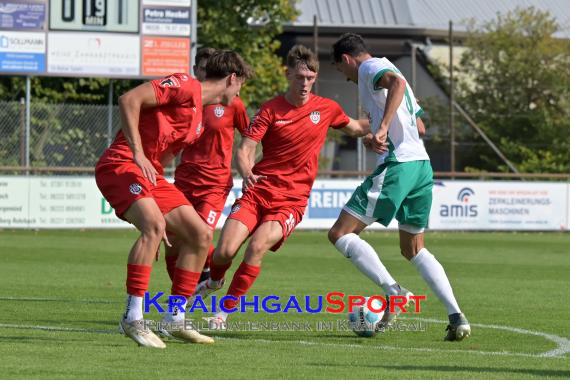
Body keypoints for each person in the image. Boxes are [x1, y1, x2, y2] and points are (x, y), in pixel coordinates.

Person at [190, 45, 371, 326]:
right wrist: (248, 171)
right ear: (288, 75)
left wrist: (391, 118)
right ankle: (214, 281)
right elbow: (245, 148)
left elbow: (358, 128)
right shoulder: (271, 109)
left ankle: (223, 312)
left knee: (257, 247)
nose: (305, 83)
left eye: (310, 78)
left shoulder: (327, 109)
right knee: (224, 250)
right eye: (299, 77)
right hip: (258, 192)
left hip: (291, 201)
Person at [95, 50, 252, 348]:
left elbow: (162, 153)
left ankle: (175, 318)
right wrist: (138, 152)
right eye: (241, 84)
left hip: (149, 175)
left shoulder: (197, 122)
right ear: (232, 78)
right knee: (153, 227)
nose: (240, 91)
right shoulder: (184, 85)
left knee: (200, 234)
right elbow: (129, 99)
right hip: (121, 163)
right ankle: (133, 318)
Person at [328, 33, 470, 341]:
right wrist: (378, 129)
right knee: (413, 249)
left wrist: (380, 130)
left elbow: (397, 85)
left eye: (342, 70)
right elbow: (418, 125)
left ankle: (395, 292)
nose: (347, 77)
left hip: (399, 166)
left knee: (340, 233)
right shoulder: (392, 67)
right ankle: (456, 316)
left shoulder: (369, 69)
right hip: (421, 166)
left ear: (347, 59)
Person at [164, 47, 250, 284]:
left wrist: (248, 166)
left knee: (198, 235)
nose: (206, 74)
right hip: (184, 181)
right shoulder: (185, 100)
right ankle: (184, 294)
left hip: (214, 185)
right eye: (202, 69)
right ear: (195, 70)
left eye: (209, 69)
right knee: (172, 242)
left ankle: (209, 276)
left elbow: (250, 137)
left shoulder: (234, 104)